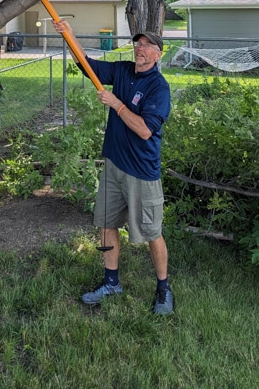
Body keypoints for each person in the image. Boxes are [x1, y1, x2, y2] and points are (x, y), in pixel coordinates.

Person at [53, 21, 173, 315]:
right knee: (107, 224)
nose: (139, 49)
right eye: (138, 44)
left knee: (151, 231)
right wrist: (69, 34)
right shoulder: (121, 70)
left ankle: (163, 289)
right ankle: (111, 283)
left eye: (146, 46)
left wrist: (116, 105)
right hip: (113, 165)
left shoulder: (159, 88)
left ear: (158, 54)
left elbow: (145, 130)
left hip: (141, 173)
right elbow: (88, 66)